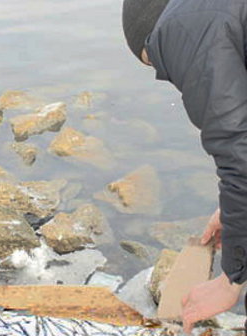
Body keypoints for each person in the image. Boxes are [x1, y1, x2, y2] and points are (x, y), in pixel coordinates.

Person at [122, 0, 247, 333]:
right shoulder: (218, 14)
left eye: (153, 64)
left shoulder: (182, 34)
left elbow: (239, 158)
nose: (166, 75)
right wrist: (232, 214)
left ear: (148, 40)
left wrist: (231, 279)